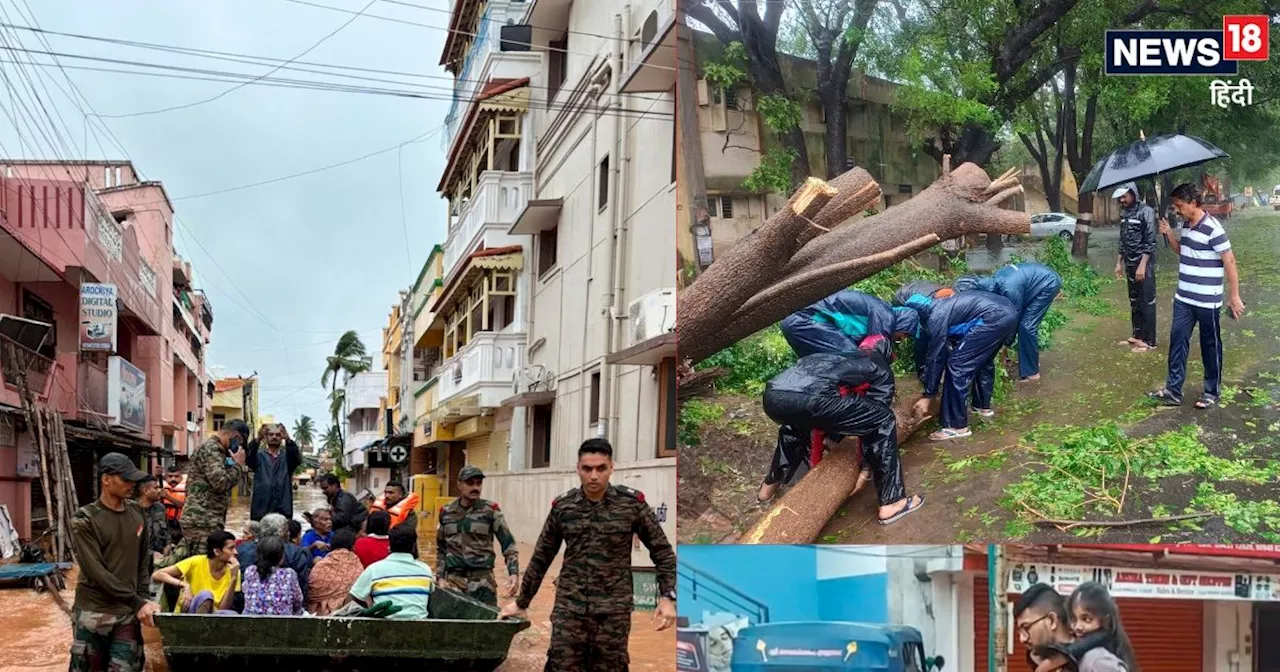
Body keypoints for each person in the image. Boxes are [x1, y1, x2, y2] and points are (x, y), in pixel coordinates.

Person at [500, 439, 677, 671]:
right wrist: (522, 602)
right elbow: (542, 557)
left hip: (613, 612)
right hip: (570, 609)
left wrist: (667, 597)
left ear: (611, 467)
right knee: (560, 665)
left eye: (601, 468)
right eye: (587, 469)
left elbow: (662, 552)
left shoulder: (632, 505)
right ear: (578, 468)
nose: (594, 476)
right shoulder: (564, 507)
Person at [756, 337, 925, 526]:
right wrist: (866, 469)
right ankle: (893, 502)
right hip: (813, 398)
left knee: (794, 425)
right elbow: (873, 421)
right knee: (883, 420)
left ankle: (768, 488)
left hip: (772, 397)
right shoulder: (879, 364)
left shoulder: (836, 354)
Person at [1149, 182, 1246, 408]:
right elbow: (1184, 252)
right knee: (1177, 342)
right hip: (1184, 298)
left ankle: (1211, 391)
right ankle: (1173, 391)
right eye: (1175, 206)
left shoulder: (1213, 228)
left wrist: (1234, 296)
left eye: (1180, 205)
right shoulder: (1186, 224)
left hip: (1207, 300)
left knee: (1210, 344)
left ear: (1193, 203)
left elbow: (1229, 261)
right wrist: (1170, 235)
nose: (1177, 209)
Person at [67, 453, 160, 672]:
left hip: (127, 614)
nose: (132, 485)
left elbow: (143, 561)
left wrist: (144, 598)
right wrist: (138, 602)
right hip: (93, 614)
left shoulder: (137, 512)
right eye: (125, 479)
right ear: (106, 479)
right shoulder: (85, 519)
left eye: (133, 480)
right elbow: (97, 573)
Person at [899, 285, 1018, 440]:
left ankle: (956, 426)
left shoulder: (936, 318)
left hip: (992, 317)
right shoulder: (941, 305)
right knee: (982, 360)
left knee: (957, 366)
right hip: (1007, 311)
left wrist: (929, 395)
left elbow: (936, 357)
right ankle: (982, 407)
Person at [954, 262, 1063, 381]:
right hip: (1031, 283)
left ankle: (1033, 374)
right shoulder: (994, 281)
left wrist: (1005, 345)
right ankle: (1032, 361)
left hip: (1048, 283)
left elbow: (1012, 321)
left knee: (1026, 326)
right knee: (1022, 323)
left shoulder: (1008, 290)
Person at [435, 466, 520, 606]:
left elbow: (508, 544)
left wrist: (513, 573)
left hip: (483, 581)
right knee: (454, 625)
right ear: (459, 485)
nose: (475, 487)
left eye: (478, 483)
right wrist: (440, 577)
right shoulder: (446, 512)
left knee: (487, 625)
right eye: (470, 483)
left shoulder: (491, 511)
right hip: (454, 581)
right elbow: (441, 548)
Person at [1015, 583, 1128, 672]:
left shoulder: (1096, 662)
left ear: (1052, 620)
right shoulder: (1047, 662)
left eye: (1026, 627)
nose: (1022, 638)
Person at [779, 288, 919, 358]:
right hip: (805, 319)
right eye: (905, 334)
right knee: (854, 359)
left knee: (822, 366)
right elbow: (872, 348)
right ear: (903, 323)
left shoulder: (877, 314)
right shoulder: (886, 315)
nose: (902, 338)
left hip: (795, 321)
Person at [179, 420, 249, 558]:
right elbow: (220, 483)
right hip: (202, 520)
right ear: (236, 436)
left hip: (204, 519)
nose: (239, 447)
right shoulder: (212, 450)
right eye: (240, 443)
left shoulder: (217, 451)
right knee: (202, 564)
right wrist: (238, 466)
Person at [347, 523, 435, 620]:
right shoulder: (425, 570)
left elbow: (351, 597)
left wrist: (366, 611)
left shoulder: (375, 570)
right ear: (414, 546)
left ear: (389, 545)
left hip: (382, 630)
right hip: (421, 630)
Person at [1112, 182, 1159, 354]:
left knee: (1147, 301)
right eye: (1120, 197)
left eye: (1124, 196)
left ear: (1134, 194)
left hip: (1143, 264)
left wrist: (1143, 265)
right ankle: (1137, 335)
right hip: (1130, 264)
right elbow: (1122, 240)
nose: (1122, 200)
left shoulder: (1146, 211)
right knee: (1134, 301)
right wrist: (1119, 262)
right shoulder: (1125, 213)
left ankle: (1150, 341)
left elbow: (1150, 241)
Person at [152, 530, 241, 613]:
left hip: (215, 616)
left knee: (230, 613)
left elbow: (223, 609)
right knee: (206, 595)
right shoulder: (196, 562)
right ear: (217, 551)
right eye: (231, 548)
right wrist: (185, 585)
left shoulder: (234, 570)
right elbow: (158, 574)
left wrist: (233, 578)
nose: (235, 552)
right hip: (190, 612)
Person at [236, 513, 313, 598]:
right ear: (282, 533)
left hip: (245, 606)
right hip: (287, 607)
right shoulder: (297, 553)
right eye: (287, 530)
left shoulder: (241, 550)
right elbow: (302, 588)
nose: (289, 533)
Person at [1065, 582, 1139, 671]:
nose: (1077, 627)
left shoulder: (1099, 661)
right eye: (1074, 620)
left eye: (1086, 619)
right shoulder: (1082, 656)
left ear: (1105, 621)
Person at [245, 423, 303, 521]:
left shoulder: (287, 458)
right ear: (266, 437)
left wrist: (288, 440)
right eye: (271, 434)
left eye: (278, 435)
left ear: (282, 438)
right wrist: (258, 438)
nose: (274, 437)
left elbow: (297, 459)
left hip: (283, 510)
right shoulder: (258, 457)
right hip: (260, 510)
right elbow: (248, 456)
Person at [242, 536, 304, 616]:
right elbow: (298, 602)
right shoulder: (289, 574)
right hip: (283, 626)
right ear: (281, 556)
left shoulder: (250, 571)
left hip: (250, 625)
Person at [307, 529, 364, 615]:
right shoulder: (356, 564)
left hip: (319, 614)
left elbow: (312, 591)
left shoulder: (320, 565)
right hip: (347, 612)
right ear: (352, 546)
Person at [160, 466, 186, 544]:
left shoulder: (187, 487)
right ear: (165, 477)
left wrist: (168, 497)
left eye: (176, 476)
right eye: (170, 476)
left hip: (181, 523)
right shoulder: (160, 486)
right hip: (165, 522)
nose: (173, 479)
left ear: (181, 476)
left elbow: (185, 504)